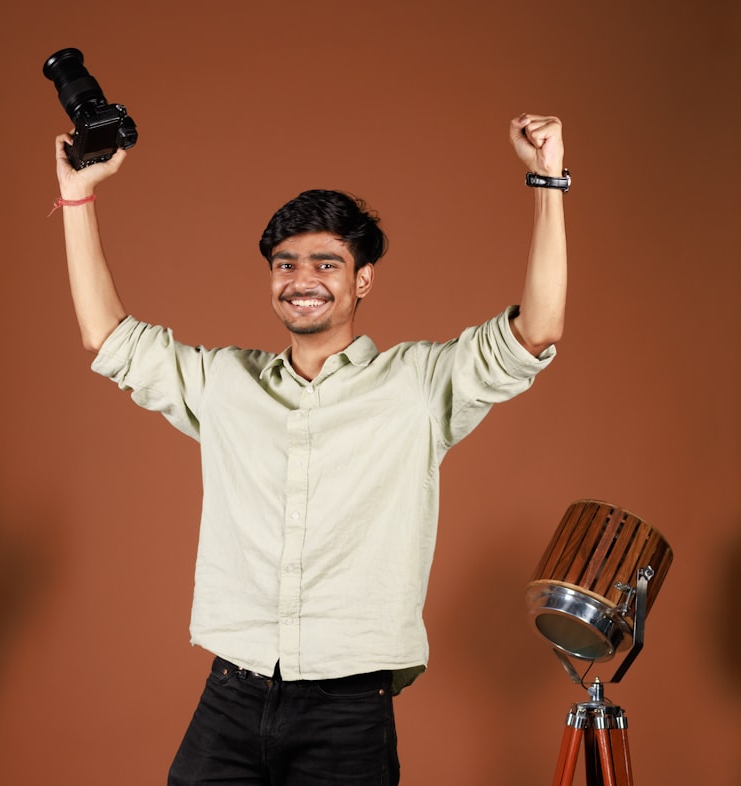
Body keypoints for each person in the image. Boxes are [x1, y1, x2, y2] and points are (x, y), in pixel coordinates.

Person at [52, 113, 568, 785]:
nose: (302, 278)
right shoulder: (226, 384)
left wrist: (548, 179)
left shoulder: (418, 386)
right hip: (232, 693)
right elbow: (106, 337)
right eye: (285, 264)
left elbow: (537, 331)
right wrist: (76, 195)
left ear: (362, 281)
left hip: (348, 709)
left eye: (327, 263)